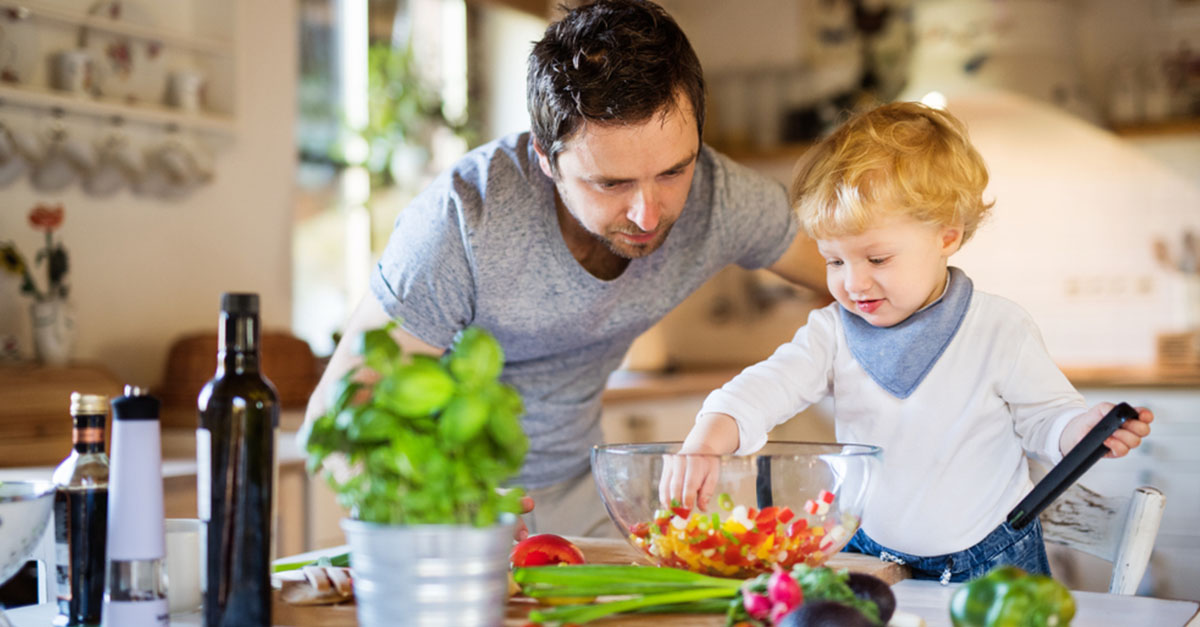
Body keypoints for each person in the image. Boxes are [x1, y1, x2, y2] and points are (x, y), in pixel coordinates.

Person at [301, 0, 829, 539]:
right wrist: (430, 520)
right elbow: (337, 421)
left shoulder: (721, 198)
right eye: (611, 183)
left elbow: (862, 279)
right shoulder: (462, 222)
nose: (648, 213)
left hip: (587, 501)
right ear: (546, 159)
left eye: (673, 170)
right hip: (449, 509)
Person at [660, 101, 1153, 583]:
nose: (853, 283)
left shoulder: (998, 329)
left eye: (876, 259)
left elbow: (1048, 421)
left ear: (946, 237)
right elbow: (765, 387)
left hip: (988, 561)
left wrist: (1084, 430)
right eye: (834, 261)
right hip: (870, 555)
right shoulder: (833, 332)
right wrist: (709, 438)